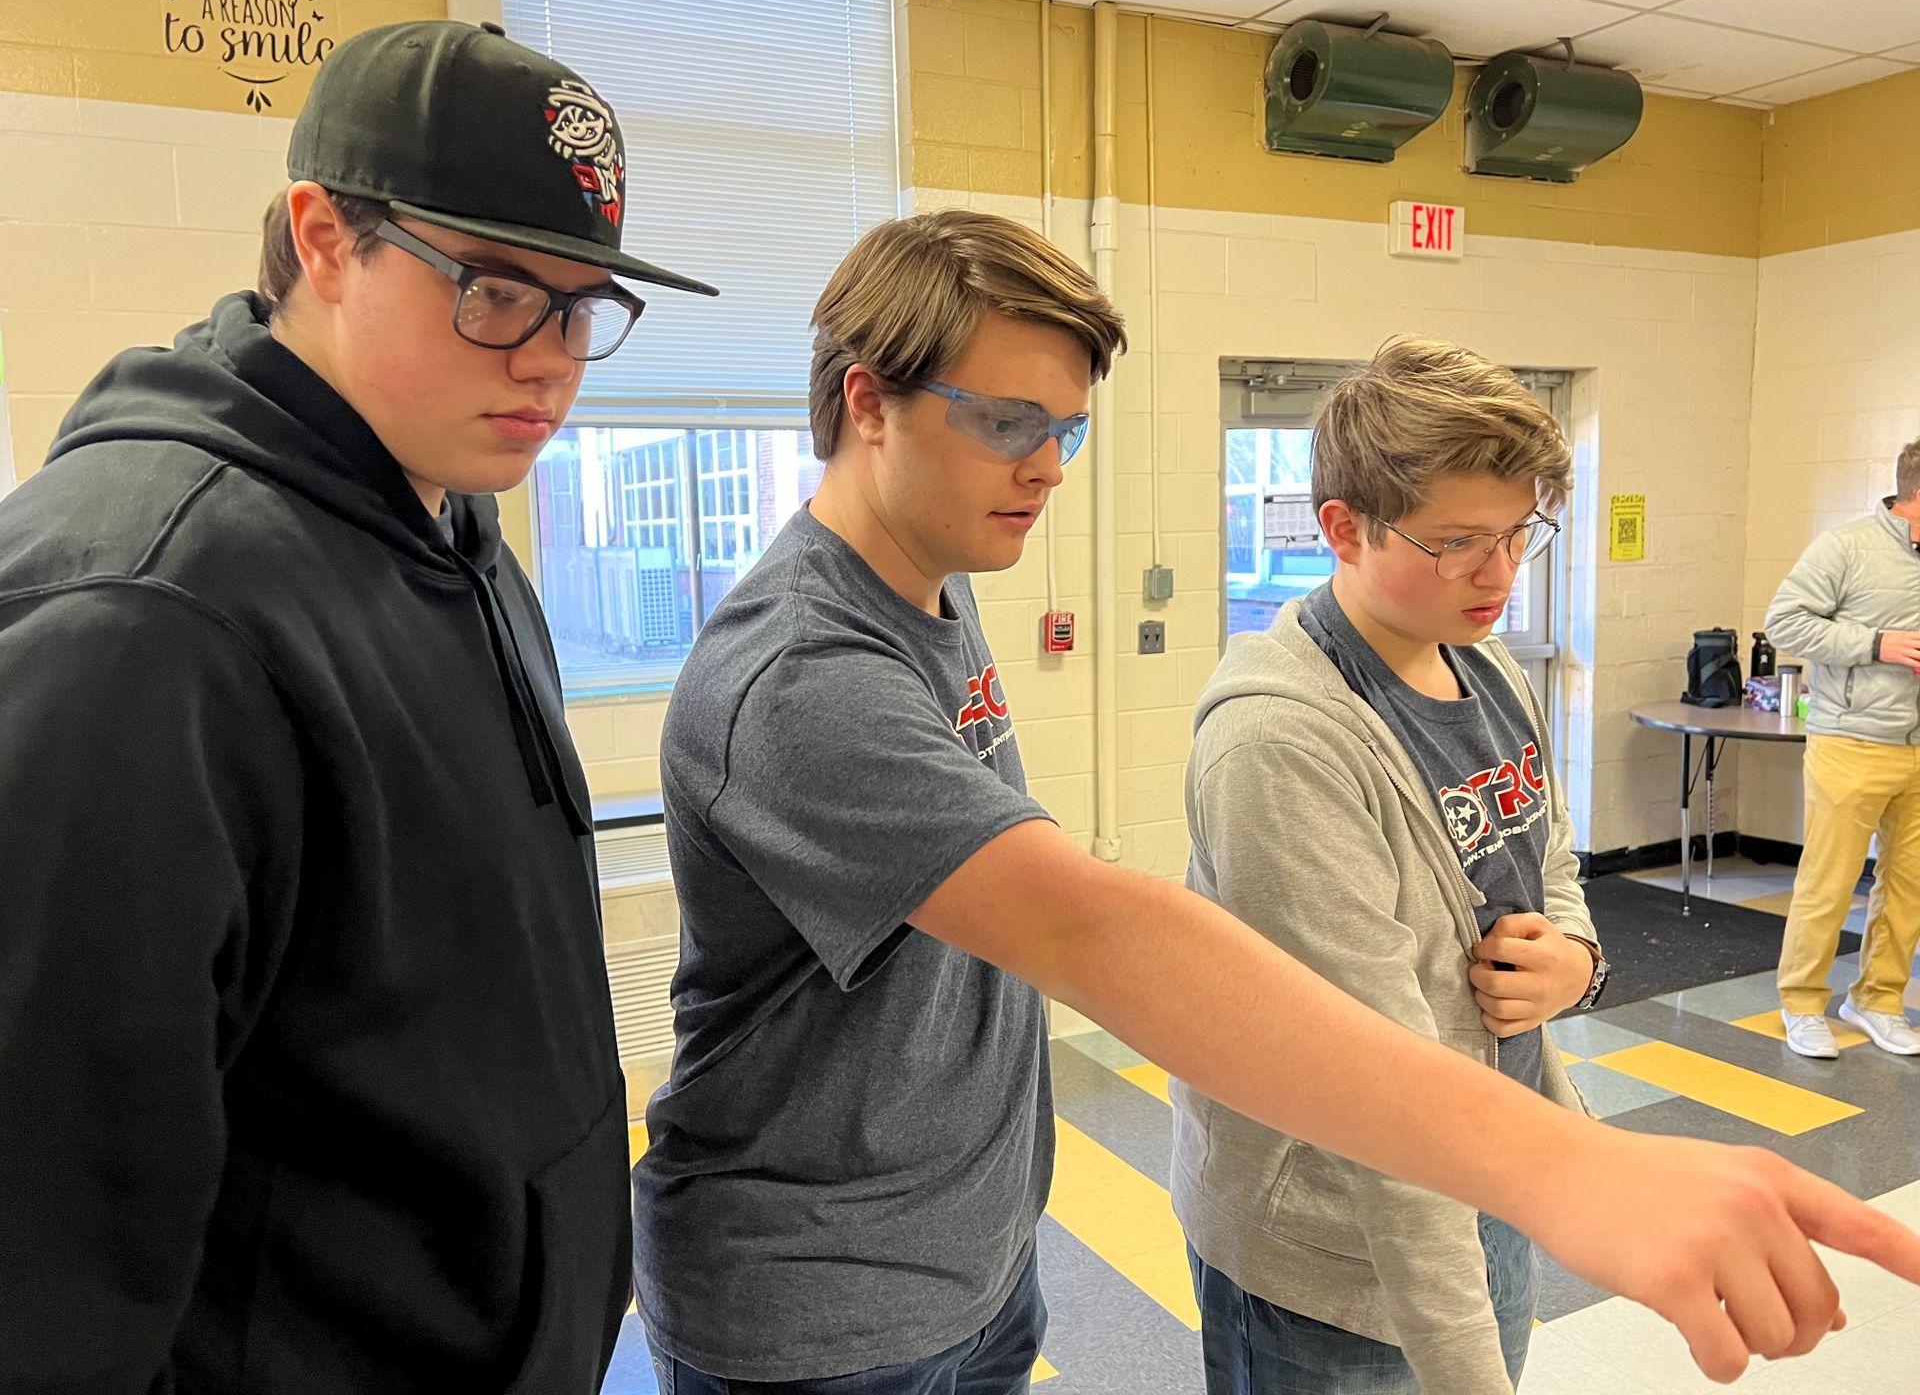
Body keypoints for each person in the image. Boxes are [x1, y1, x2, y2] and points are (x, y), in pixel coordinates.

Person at [633, 209, 1920, 1395]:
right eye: (1009, 424)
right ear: (870, 403)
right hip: (819, 1296)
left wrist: (1571, 973)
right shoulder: (804, 673)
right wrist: (1572, 1168)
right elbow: (1092, 933)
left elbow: (1536, 875)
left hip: (963, 1248)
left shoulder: (929, 583)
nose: (1048, 468)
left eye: (1064, 430)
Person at [0, 21, 715, 1394]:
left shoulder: (446, 516)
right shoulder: (143, 621)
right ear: (325, 239)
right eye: (498, 291)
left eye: (582, 308)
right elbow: (43, 1260)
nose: (551, 359)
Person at [1176, 337, 1606, 1394]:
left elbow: (1544, 853)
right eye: (1457, 542)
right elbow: (1370, 1089)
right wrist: (1470, 1373)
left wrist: (1578, 960)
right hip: (1336, 1246)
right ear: (1342, 529)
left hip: (1484, 1174)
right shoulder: (1282, 744)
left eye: (1517, 536)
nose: (1499, 575)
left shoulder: (1484, 660)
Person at [1766, 442, 1920, 1060]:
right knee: (1828, 885)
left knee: (1909, 886)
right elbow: (1785, 622)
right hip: (1851, 741)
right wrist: (1877, 643)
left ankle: (1878, 1000)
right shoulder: (1847, 547)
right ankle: (1802, 1004)